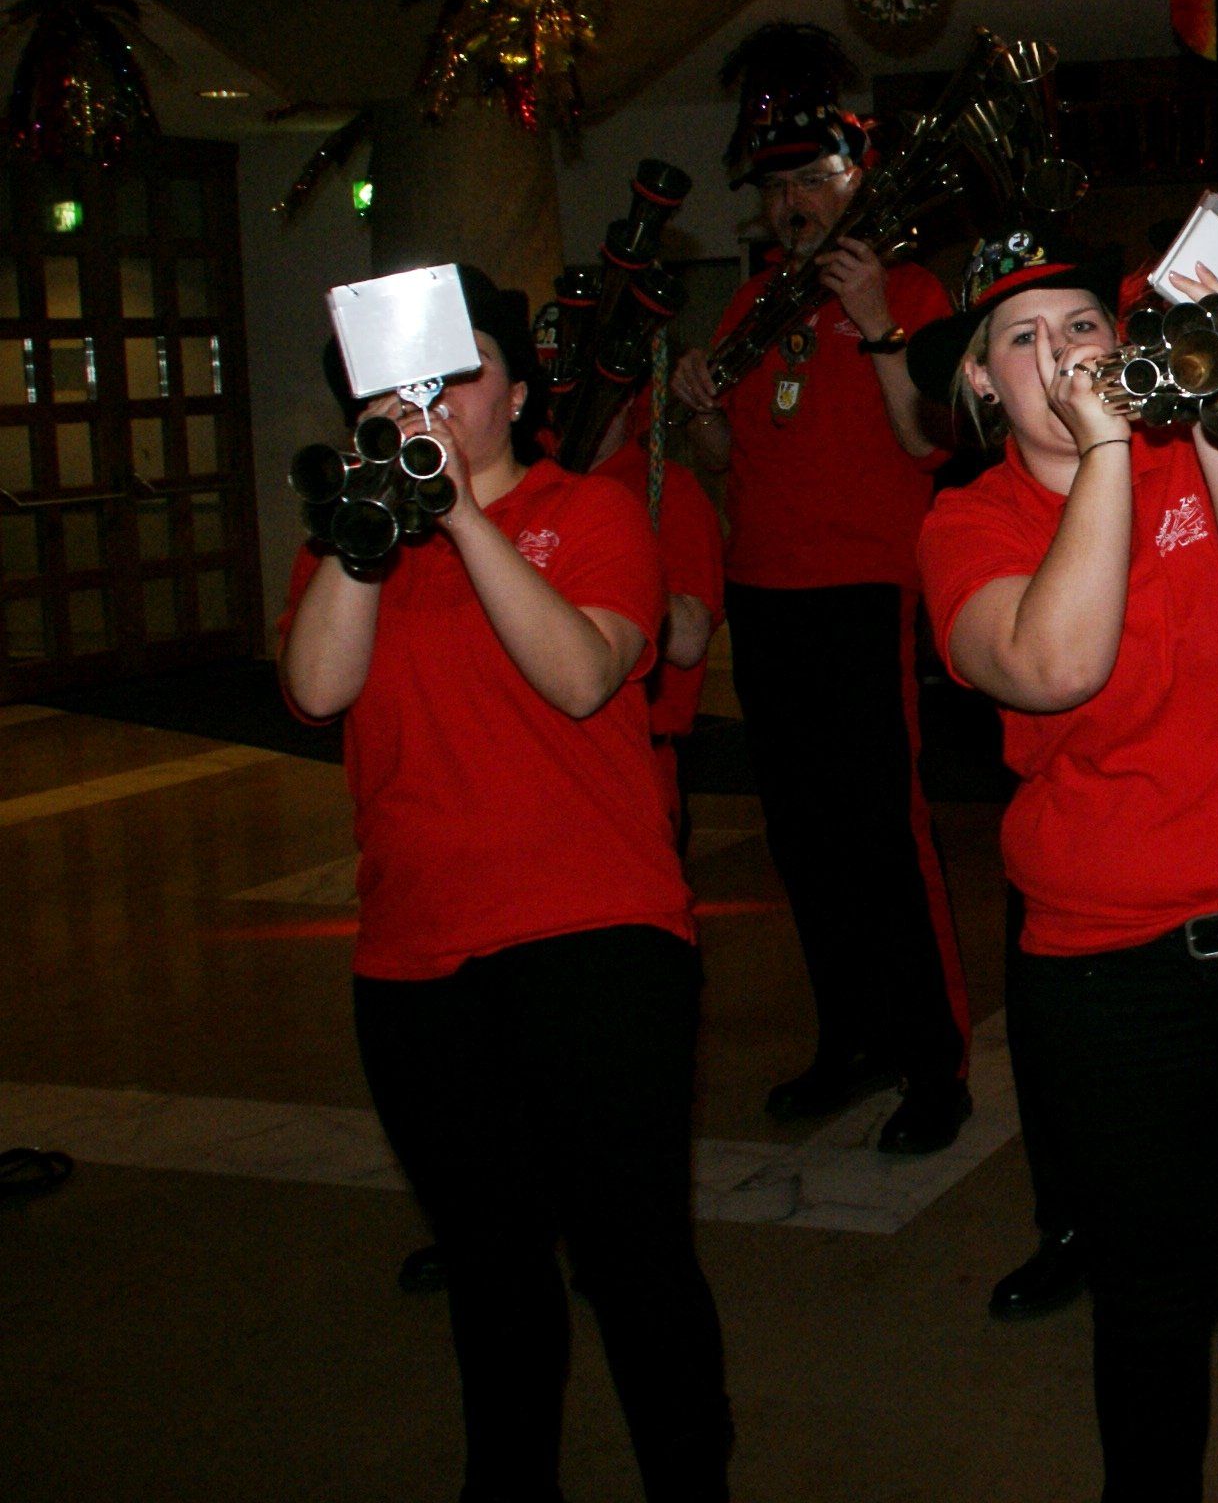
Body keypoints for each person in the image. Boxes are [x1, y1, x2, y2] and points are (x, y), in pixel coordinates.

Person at [917, 236, 1218, 1501]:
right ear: (980, 382)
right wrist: (1101, 456)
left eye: (1082, 324)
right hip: (1109, 971)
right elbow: (1053, 665)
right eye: (1021, 338)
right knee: (1152, 1298)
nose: (1060, 355)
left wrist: (1211, 404)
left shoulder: (1201, 445)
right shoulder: (966, 523)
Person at [281, 268, 731, 1503]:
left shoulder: (589, 511)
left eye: (463, 367)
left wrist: (464, 517)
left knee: (634, 1259)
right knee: (490, 1268)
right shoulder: (352, 541)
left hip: (596, 937)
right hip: (418, 955)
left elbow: (583, 676)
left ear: (521, 393)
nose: (430, 398)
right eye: (398, 382)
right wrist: (374, 523)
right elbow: (316, 691)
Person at [669, 99, 972, 1155]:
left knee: (884, 835)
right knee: (803, 842)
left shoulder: (912, 290)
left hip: (864, 593)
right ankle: (851, 1037)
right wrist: (699, 407)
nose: (791, 203)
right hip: (763, 591)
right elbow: (721, 463)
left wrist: (875, 314)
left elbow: (927, 442)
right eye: (775, 187)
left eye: (812, 182)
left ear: (857, 185)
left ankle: (934, 1063)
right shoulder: (750, 302)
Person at [583, 393, 726, 836]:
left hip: (633, 761)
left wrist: (586, 568)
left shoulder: (664, 486)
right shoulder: (527, 484)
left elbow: (689, 639)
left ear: (627, 403)